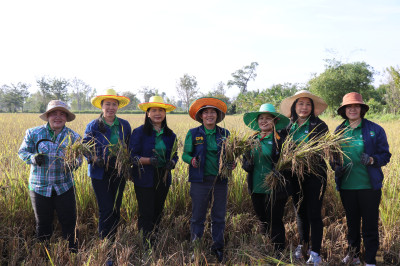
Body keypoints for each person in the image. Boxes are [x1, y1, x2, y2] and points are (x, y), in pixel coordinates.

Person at [333, 92, 391, 266]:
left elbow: (385, 155)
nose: (352, 109)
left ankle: (371, 260)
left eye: (356, 106)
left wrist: (372, 160)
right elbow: (333, 158)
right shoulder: (338, 131)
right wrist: (335, 166)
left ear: (361, 109)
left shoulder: (375, 129)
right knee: (352, 224)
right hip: (347, 186)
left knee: (370, 226)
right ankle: (354, 255)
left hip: (369, 186)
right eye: (349, 107)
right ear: (344, 110)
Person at [18, 100, 81, 251]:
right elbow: (22, 152)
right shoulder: (33, 133)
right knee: (43, 223)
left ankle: (72, 252)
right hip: (40, 187)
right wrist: (33, 158)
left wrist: (74, 164)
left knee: (69, 221)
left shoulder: (73, 136)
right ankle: (44, 253)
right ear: (47, 116)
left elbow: (79, 158)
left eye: (61, 114)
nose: (57, 117)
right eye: (54, 113)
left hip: (64, 186)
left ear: (66, 117)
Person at [280, 90, 329, 265]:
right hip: (294, 176)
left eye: (308, 104)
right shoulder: (286, 127)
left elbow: (322, 150)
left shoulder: (320, 126)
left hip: (315, 174)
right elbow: (281, 150)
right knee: (299, 211)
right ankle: (303, 244)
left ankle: (315, 252)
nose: (304, 107)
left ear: (312, 107)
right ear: (294, 106)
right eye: (300, 103)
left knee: (314, 212)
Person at [182, 97, 234, 263]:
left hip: (220, 181)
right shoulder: (193, 133)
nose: (210, 115)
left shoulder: (225, 134)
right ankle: (196, 249)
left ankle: (217, 247)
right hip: (199, 180)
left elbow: (231, 156)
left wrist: (232, 163)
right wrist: (191, 160)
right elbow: (185, 154)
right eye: (206, 112)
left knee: (218, 216)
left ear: (217, 116)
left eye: (213, 112)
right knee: (198, 216)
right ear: (201, 116)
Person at [129, 96, 178, 247]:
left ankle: (154, 239)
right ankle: (145, 243)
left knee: (158, 210)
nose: (158, 113)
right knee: (146, 212)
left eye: (161, 110)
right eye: (154, 110)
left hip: (162, 177)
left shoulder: (171, 135)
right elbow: (131, 157)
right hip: (144, 177)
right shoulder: (139, 132)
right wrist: (149, 160)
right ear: (148, 113)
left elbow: (175, 155)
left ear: (165, 113)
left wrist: (172, 162)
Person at [83, 88, 131, 241]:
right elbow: (85, 148)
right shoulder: (93, 126)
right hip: (100, 172)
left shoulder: (124, 125)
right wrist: (94, 158)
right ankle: (105, 241)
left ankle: (114, 238)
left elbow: (130, 146)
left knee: (116, 207)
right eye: (107, 104)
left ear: (118, 107)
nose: (111, 108)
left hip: (119, 170)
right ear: (101, 106)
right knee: (106, 208)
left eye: (114, 104)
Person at [241, 103, 290, 252]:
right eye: (261, 118)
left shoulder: (281, 140)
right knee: (262, 218)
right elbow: (245, 160)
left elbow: (289, 163)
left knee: (275, 220)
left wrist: (280, 172)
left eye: (268, 118)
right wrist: (246, 165)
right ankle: (266, 246)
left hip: (275, 188)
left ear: (275, 122)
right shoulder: (251, 139)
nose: (264, 121)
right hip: (256, 186)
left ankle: (279, 250)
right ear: (257, 121)